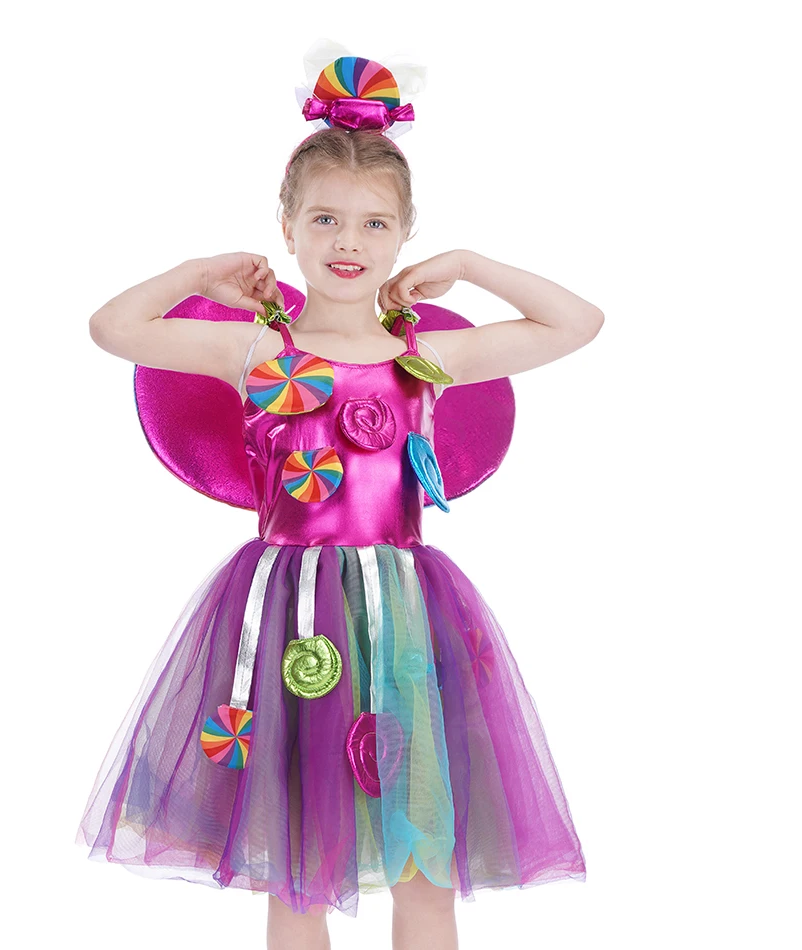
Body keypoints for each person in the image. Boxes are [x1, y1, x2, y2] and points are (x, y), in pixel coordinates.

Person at [75, 43, 602, 950]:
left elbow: (578, 322)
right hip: (293, 620)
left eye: (372, 224)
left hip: (408, 622)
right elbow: (112, 327)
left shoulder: (426, 358)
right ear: (287, 227)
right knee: (300, 870)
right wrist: (201, 274)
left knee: (424, 864)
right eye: (324, 219)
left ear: (403, 234)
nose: (347, 243)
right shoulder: (256, 352)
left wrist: (469, 264)